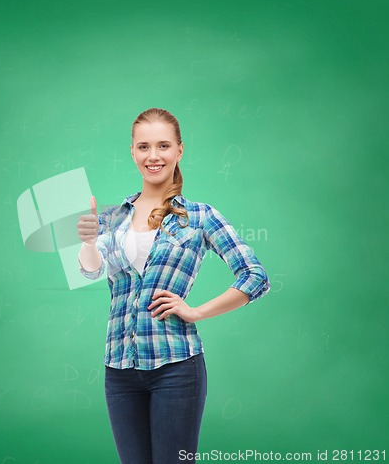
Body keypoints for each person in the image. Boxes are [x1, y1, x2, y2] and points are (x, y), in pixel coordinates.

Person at [77, 107, 271, 464]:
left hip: (176, 368)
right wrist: (88, 242)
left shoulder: (200, 217)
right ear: (132, 152)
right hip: (119, 371)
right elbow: (91, 271)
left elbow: (255, 276)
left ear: (179, 151)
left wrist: (195, 312)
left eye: (163, 146)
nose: (154, 156)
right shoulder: (112, 217)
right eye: (144, 147)